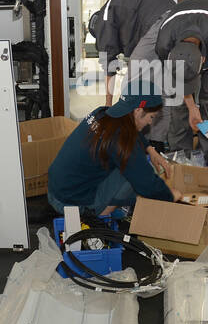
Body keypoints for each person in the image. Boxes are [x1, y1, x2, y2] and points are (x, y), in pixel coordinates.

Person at [127, 0, 208, 162]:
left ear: (203, 60)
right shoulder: (164, 43)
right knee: (179, 106)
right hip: (179, 29)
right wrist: (192, 107)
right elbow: (178, 80)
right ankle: (180, 160)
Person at [47, 79, 182, 219]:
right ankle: (99, 215)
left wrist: (150, 149)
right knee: (133, 176)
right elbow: (146, 184)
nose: (150, 122)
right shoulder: (122, 140)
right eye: (151, 117)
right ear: (138, 110)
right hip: (71, 205)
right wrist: (170, 195)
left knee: (131, 164)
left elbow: (131, 133)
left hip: (56, 189)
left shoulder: (102, 113)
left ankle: (104, 205)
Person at [87, 0, 175, 107]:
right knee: (158, 77)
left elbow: (109, 67)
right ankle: (162, 118)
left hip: (159, 20)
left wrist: (108, 104)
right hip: (174, 15)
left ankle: (127, 122)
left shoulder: (104, 22)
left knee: (131, 84)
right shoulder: (117, 9)